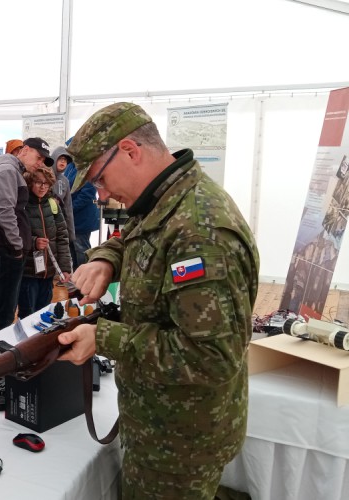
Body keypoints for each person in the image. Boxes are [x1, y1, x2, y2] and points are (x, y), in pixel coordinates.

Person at [56, 102, 260, 499]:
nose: (102, 194)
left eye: (98, 178)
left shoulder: (201, 232)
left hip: (180, 442)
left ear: (130, 151)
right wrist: (106, 260)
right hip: (158, 421)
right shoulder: (164, 200)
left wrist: (103, 339)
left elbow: (211, 357)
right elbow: (138, 236)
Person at [0, 137, 54, 334]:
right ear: (25, 150)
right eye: (38, 157)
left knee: (7, 309)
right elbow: (5, 211)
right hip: (7, 250)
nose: (39, 163)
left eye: (43, 161)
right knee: (5, 312)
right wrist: (16, 246)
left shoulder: (13, 171)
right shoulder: (7, 170)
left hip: (10, 249)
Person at [18, 165, 71, 318]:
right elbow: (13, 234)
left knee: (44, 313)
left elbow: (62, 237)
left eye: (46, 183)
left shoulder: (53, 204)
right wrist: (33, 242)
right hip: (29, 273)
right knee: (28, 314)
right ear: (30, 182)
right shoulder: (21, 205)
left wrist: (65, 267)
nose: (43, 187)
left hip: (48, 273)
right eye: (38, 182)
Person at [63, 149, 100, 264]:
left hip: (82, 218)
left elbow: (87, 194)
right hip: (71, 218)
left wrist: (69, 208)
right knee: (72, 251)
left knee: (81, 250)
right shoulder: (70, 166)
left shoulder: (87, 167)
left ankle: (84, 278)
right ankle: (76, 278)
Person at [50, 146, 76, 265]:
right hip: (45, 224)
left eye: (65, 160)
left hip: (60, 224)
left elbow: (68, 207)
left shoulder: (65, 180)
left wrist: (71, 233)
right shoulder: (44, 175)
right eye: (60, 159)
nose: (63, 162)